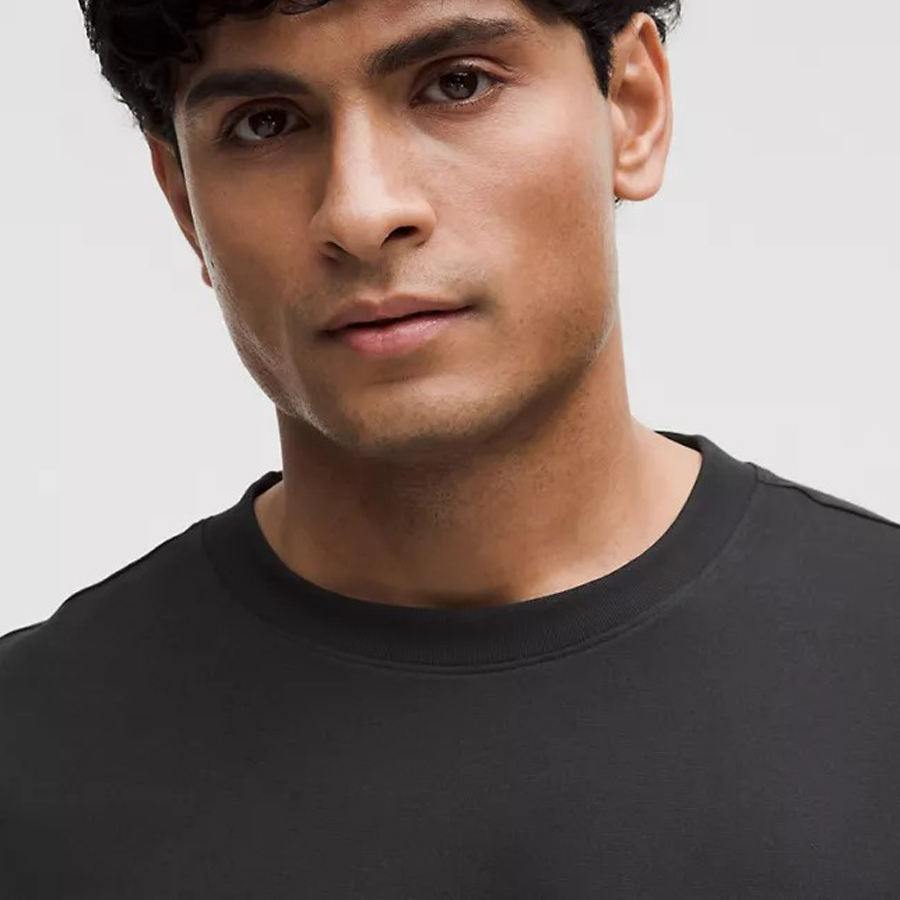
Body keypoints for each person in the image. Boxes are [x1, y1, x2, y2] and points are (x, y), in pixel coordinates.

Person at [2, 0, 898, 896]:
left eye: (457, 85)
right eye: (264, 123)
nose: (361, 211)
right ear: (183, 200)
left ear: (632, 105)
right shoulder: (30, 757)